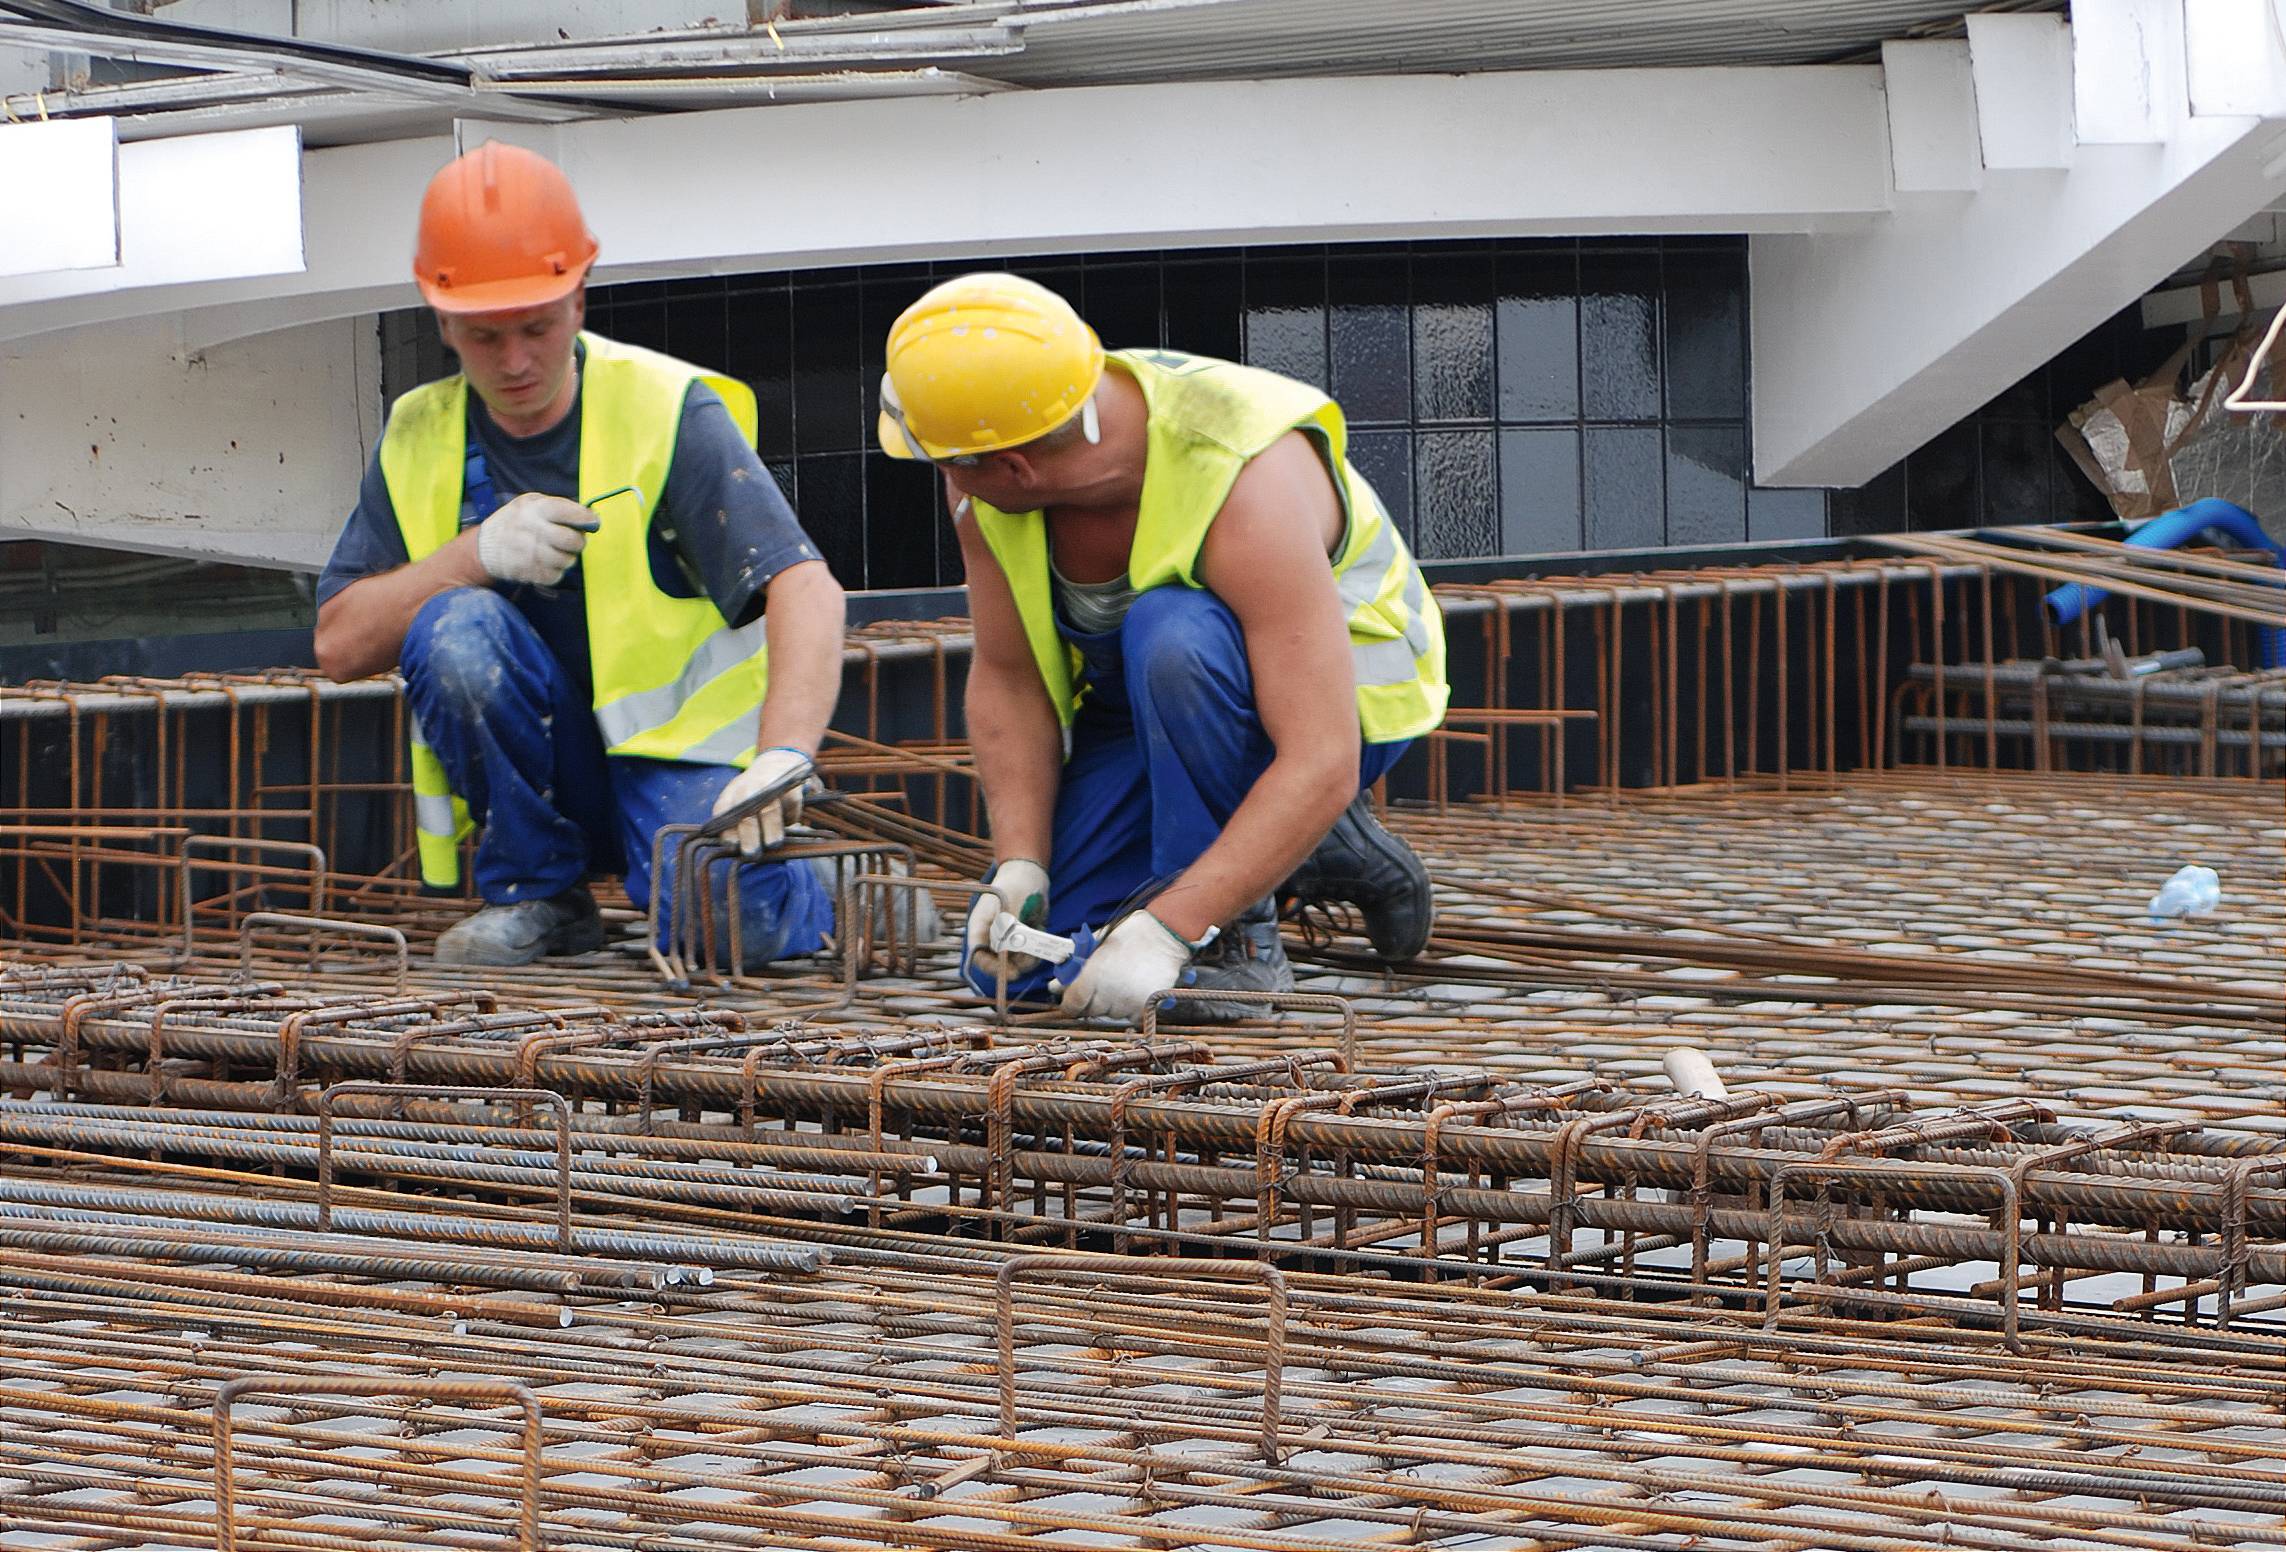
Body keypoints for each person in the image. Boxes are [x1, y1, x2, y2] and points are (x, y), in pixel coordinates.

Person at [313, 143, 844, 968]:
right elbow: (340, 645)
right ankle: (539, 898)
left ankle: (824, 897)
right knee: (455, 629)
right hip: (543, 781)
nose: (517, 360)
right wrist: (473, 553)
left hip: (676, 759)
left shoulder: (666, 407)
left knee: (726, 925)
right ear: (443, 320)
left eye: (538, 326)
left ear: (579, 297)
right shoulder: (417, 435)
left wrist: (783, 754)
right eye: (488, 336)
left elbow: (805, 586)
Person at [876, 272, 1448, 1022]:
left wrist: (1173, 929)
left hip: (1330, 717)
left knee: (1173, 630)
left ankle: (1241, 944)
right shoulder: (993, 468)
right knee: (1018, 971)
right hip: (1153, 714)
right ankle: (1313, 846)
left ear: (1012, 466)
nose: (944, 476)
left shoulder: (1243, 475)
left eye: (944, 459)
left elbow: (1320, 752)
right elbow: (1010, 678)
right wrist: (1022, 862)